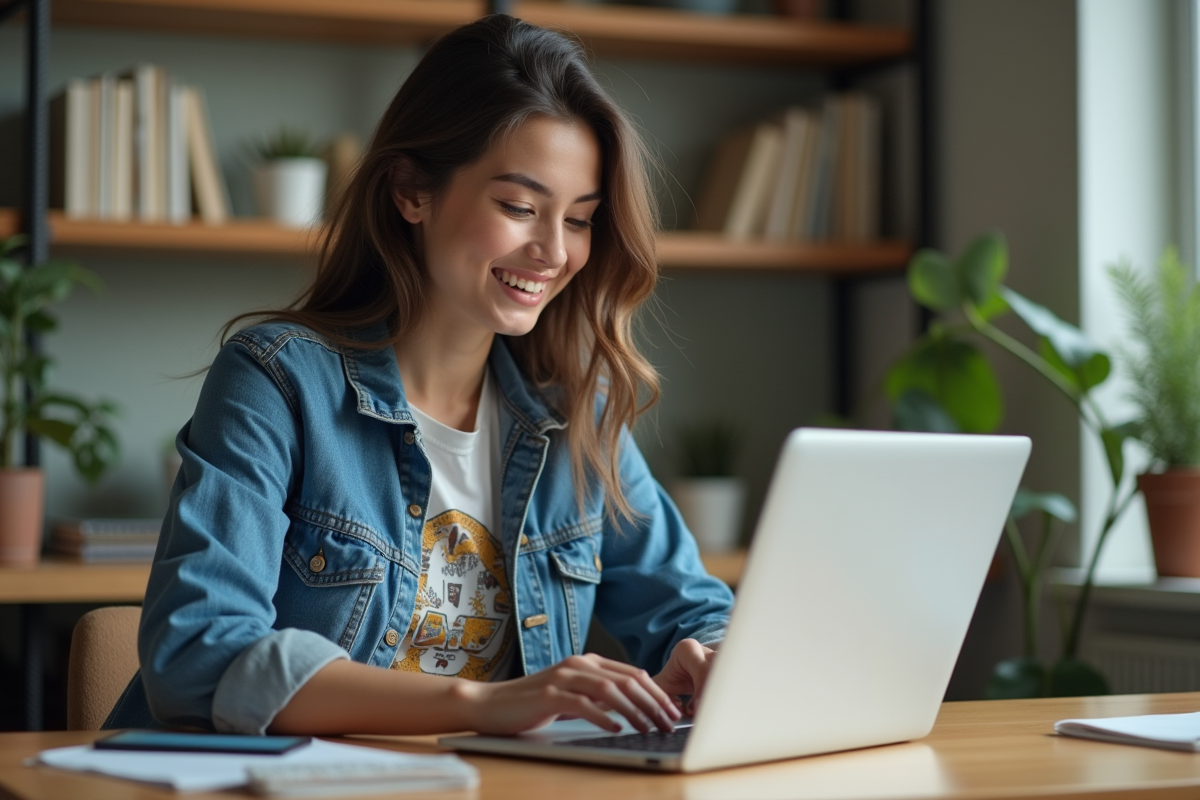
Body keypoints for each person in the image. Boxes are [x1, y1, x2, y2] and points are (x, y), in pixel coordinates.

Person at [106, 14, 734, 737]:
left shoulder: (576, 412)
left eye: (580, 220)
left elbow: (693, 609)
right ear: (411, 190)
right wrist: (483, 705)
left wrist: (710, 655)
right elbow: (197, 652)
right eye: (519, 207)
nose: (554, 252)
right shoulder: (278, 380)